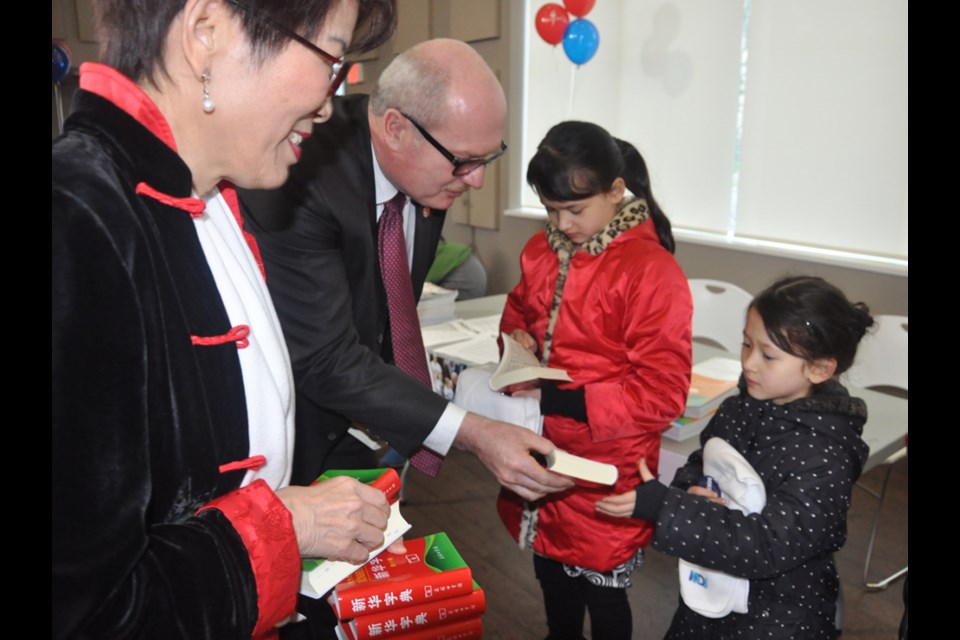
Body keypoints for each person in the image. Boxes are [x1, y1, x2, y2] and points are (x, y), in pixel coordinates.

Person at [52, 1, 399, 638]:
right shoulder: (77, 217)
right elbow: (88, 610)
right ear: (207, 34)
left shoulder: (212, 198)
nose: (330, 101)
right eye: (329, 56)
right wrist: (285, 527)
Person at [237, 38, 572, 500]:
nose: (476, 179)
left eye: (487, 158)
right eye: (465, 161)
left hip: (358, 428)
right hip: (288, 438)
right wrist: (471, 431)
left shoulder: (427, 173)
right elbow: (324, 358)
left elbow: (389, 306)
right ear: (396, 129)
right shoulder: (301, 177)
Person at [497, 121, 693, 640]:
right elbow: (518, 311)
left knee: (603, 591)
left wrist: (563, 399)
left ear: (615, 190)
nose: (561, 224)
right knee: (551, 574)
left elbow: (663, 394)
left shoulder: (650, 271)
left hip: (609, 463)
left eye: (575, 210)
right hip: (541, 446)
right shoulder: (542, 252)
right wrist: (519, 341)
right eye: (550, 210)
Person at [598, 275, 875, 639]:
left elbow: (768, 544)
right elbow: (704, 461)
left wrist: (668, 507)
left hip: (779, 616)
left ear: (819, 368)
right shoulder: (739, 408)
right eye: (746, 345)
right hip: (710, 593)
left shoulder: (824, 453)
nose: (749, 363)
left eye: (768, 355)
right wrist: (690, 490)